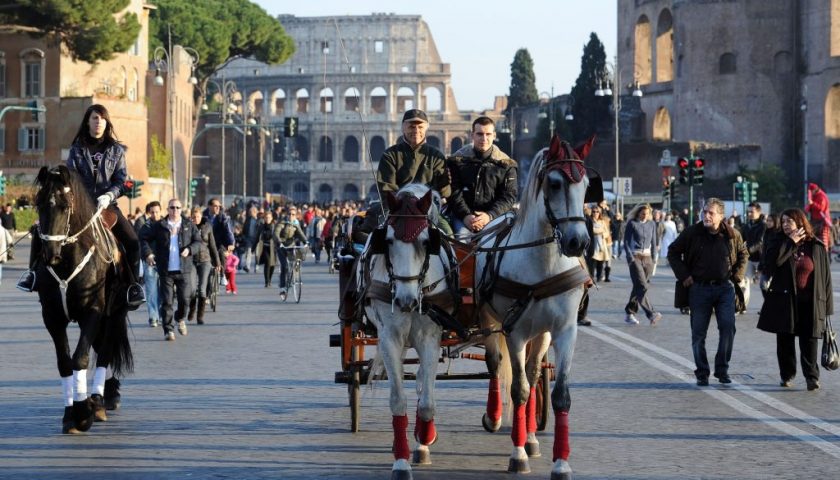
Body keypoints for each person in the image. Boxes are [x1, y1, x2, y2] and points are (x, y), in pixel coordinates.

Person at [17, 104, 145, 309]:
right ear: (87, 121)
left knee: (132, 241)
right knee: (40, 230)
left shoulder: (116, 150)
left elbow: (121, 180)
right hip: (81, 206)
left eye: (102, 119)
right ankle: (32, 274)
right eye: (95, 118)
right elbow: (70, 177)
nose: (98, 122)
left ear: (107, 122)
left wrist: (110, 194)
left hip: (107, 205)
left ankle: (134, 286)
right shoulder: (77, 149)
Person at [667, 198, 748, 386]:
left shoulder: (732, 234)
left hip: (724, 289)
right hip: (699, 289)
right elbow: (672, 252)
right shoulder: (692, 233)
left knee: (728, 327)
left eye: (711, 213)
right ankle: (702, 372)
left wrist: (737, 276)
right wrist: (684, 275)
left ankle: (722, 369)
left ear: (721, 216)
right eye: (704, 212)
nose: (706, 216)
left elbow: (744, 254)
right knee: (698, 333)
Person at [757, 208, 832, 391]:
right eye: (783, 222)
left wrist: (827, 309)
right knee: (785, 340)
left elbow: (826, 279)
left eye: (789, 221)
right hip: (785, 300)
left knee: (810, 340)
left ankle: (812, 377)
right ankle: (787, 374)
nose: (785, 225)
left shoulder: (815, 245)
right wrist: (790, 242)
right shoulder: (778, 242)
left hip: (810, 301)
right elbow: (773, 264)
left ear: (800, 222)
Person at [356, 108, 451, 243]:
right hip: (396, 210)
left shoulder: (436, 156)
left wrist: (445, 183)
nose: (416, 130)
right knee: (374, 237)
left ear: (426, 128)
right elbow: (387, 188)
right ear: (402, 127)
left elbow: (442, 193)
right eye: (411, 126)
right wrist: (407, 204)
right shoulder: (390, 154)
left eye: (420, 126)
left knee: (449, 236)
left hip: (426, 211)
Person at [140, 199, 201, 341]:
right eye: (172, 208)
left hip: (184, 269)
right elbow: (143, 239)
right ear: (168, 209)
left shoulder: (188, 225)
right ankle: (168, 330)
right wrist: (148, 253)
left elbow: (199, 242)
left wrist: (189, 249)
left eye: (177, 208)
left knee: (185, 300)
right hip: (165, 269)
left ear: (181, 209)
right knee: (167, 301)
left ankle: (179, 318)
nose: (175, 210)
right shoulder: (159, 226)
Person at [446, 116, 517, 237]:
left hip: (496, 217)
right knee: (462, 242)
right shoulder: (457, 160)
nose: (484, 139)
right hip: (463, 217)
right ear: (472, 135)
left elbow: (509, 196)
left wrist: (489, 216)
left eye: (488, 134)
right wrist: (466, 216)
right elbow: (453, 192)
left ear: (494, 135)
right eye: (479, 134)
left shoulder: (506, 163)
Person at [623, 204, 662, 326]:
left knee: (638, 287)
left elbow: (654, 241)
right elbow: (626, 242)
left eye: (647, 213)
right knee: (642, 286)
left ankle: (629, 313)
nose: (645, 215)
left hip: (648, 259)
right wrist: (630, 257)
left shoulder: (652, 224)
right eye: (643, 213)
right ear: (638, 213)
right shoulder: (632, 223)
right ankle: (651, 313)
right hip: (636, 257)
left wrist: (655, 257)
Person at [188, 207, 220, 325]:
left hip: (205, 260)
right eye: (193, 217)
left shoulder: (207, 227)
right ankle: (192, 309)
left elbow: (213, 245)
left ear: (201, 216)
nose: (195, 219)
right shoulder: (188, 227)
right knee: (191, 289)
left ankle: (200, 316)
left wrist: (217, 262)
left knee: (202, 289)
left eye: (197, 217)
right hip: (191, 260)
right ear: (191, 217)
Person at [137, 201, 163, 328]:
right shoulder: (145, 227)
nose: (155, 214)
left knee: (164, 290)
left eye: (157, 212)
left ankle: (163, 314)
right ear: (149, 213)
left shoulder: (166, 224)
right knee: (151, 290)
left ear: (161, 211)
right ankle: (153, 316)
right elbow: (143, 242)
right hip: (150, 261)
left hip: (164, 261)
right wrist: (148, 254)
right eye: (152, 212)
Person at [274, 211, 307, 301]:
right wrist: (280, 242)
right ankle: (282, 287)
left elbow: (301, 234)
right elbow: (276, 233)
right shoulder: (282, 223)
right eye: (289, 214)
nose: (291, 216)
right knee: (284, 266)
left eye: (293, 214)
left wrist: (306, 241)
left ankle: (294, 277)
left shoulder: (295, 225)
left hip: (291, 246)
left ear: (295, 216)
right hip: (281, 247)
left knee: (296, 260)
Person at [740, 202, 766, 311]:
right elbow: (742, 240)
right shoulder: (746, 225)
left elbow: (760, 242)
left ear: (759, 212)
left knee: (764, 285)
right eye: (748, 211)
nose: (749, 213)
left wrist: (748, 251)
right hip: (749, 259)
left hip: (761, 258)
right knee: (744, 282)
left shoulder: (763, 226)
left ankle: (768, 307)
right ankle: (742, 306)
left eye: (752, 211)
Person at [805, 183, 831, 249]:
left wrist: (812, 203)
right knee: (814, 240)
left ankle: (824, 255)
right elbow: (809, 208)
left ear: (814, 190)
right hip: (815, 221)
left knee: (823, 242)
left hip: (822, 222)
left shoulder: (822, 196)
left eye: (811, 191)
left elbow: (821, 209)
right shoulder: (814, 196)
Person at [255, 211, 278, 287]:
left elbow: (278, 236)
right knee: (267, 263)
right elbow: (257, 236)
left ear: (271, 218)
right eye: (266, 218)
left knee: (272, 265)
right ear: (264, 218)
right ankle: (266, 282)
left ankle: (270, 279)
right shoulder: (261, 226)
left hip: (273, 248)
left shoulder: (274, 226)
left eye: (269, 218)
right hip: (264, 247)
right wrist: (253, 247)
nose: (267, 219)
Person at [241, 206, 260, 273]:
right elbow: (244, 228)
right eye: (249, 212)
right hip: (248, 239)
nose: (249, 213)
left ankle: (257, 266)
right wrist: (243, 236)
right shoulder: (247, 220)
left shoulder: (258, 220)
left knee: (257, 253)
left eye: (251, 212)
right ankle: (247, 266)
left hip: (256, 239)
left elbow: (259, 230)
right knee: (248, 252)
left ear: (255, 212)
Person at [0, 220, 13, 284]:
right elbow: (10, 240)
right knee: (0, 266)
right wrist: (11, 244)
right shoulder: (4, 230)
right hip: (2, 251)